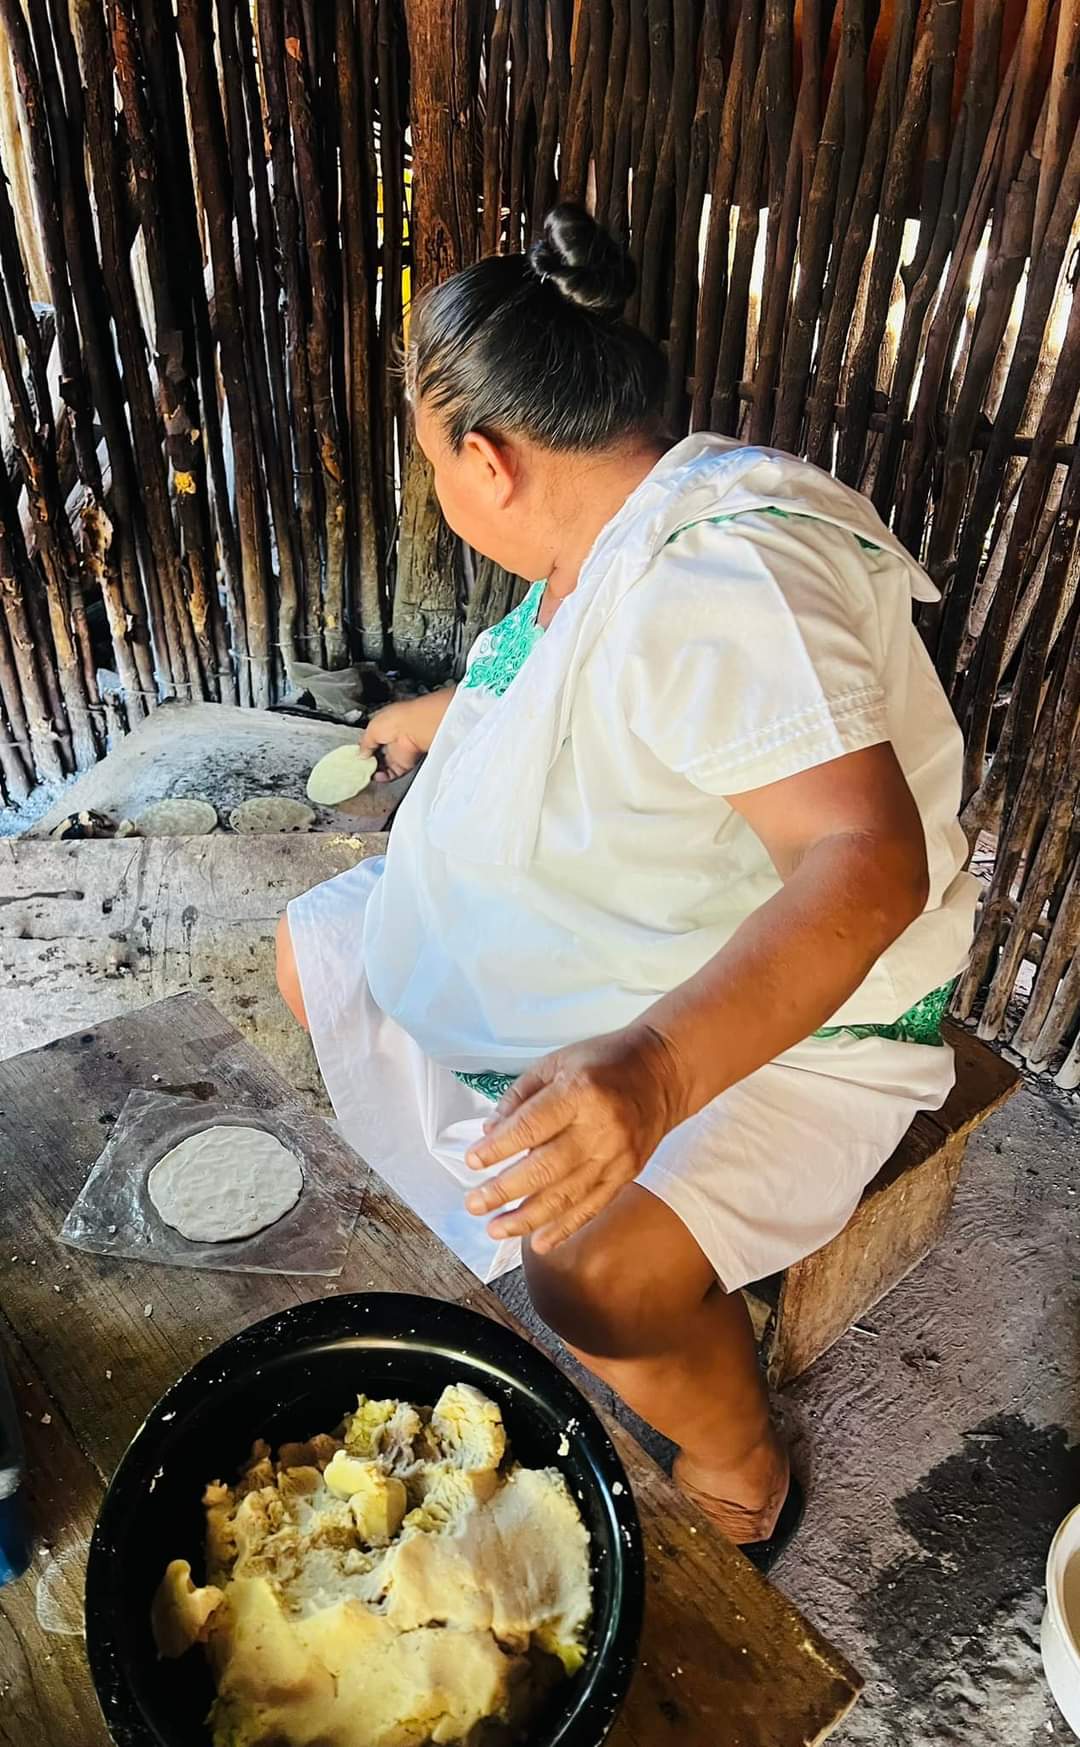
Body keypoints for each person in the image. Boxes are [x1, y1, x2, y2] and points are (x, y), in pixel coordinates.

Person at [277, 206, 977, 1566]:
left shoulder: (719, 571)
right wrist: (428, 718)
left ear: (485, 459)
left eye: (430, 463)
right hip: (629, 940)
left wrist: (650, 1076)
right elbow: (566, 673)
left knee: (591, 1272)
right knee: (328, 956)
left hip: (788, 1015)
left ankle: (742, 1469)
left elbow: (865, 861)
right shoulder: (628, 516)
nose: (437, 488)